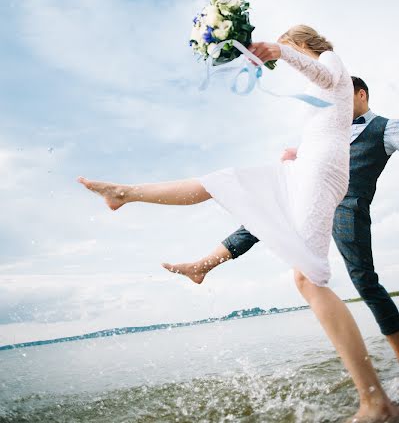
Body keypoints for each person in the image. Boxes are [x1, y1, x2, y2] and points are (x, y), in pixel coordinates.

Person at [78, 25, 398, 422]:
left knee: (309, 279)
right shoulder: (322, 93)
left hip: (320, 176)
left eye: (293, 47)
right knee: (226, 183)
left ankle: (376, 403)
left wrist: (280, 51)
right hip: (304, 170)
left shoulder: (331, 63)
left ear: (303, 43)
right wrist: (295, 153)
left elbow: (325, 77)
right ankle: (125, 193)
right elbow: (328, 127)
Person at [164, 77, 399, 363]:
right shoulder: (326, 133)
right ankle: (202, 266)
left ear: (361, 95)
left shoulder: (385, 128)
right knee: (265, 213)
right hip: (312, 197)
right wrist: (294, 157)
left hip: (348, 206)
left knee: (364, 279)